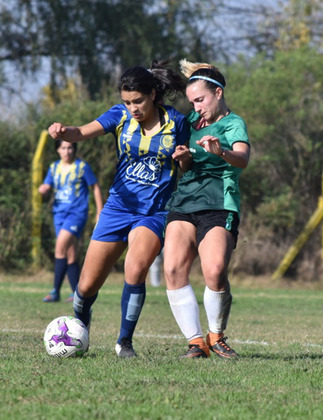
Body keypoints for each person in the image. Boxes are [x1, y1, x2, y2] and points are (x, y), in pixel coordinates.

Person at [47, 60, 191, 358]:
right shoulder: (119, 116)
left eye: (138, 101)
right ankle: (79, 334)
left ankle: (124, 342)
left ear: (153, 94)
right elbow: (81, 132)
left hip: (154, 212)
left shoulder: (177, 122)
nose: (132, 108)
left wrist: (184, 158)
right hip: (117, 209)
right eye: (127, 102)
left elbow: (186, 167)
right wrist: (63, 130)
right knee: (85, 288)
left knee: (135, 269)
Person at [163, 59, 250, 359]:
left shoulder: (233, 123)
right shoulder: (189, 124)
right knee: (173, 268)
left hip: (219, 202)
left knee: (214, 271)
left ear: (218, 93)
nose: (196, 107)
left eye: (200, 100)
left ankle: (217, 335)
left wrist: (221, 151)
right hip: (185, 201)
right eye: (192, 102)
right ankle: (196, 342)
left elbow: (242, 158)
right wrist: (183, 157)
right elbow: (185, 168)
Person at [39, 139, 103, 303]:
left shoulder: (82, 167)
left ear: (74, 149)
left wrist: (99, 210)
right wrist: (43, 189)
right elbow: (46, 186)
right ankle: (77, 292)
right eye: (63, 148)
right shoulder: (54, 168)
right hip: (58, 214)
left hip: (76, 214)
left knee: (60, 247)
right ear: (58, 150)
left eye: (70, 148)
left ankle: (55, 292)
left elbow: (95, 187)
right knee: (70, 254)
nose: (67, 151)